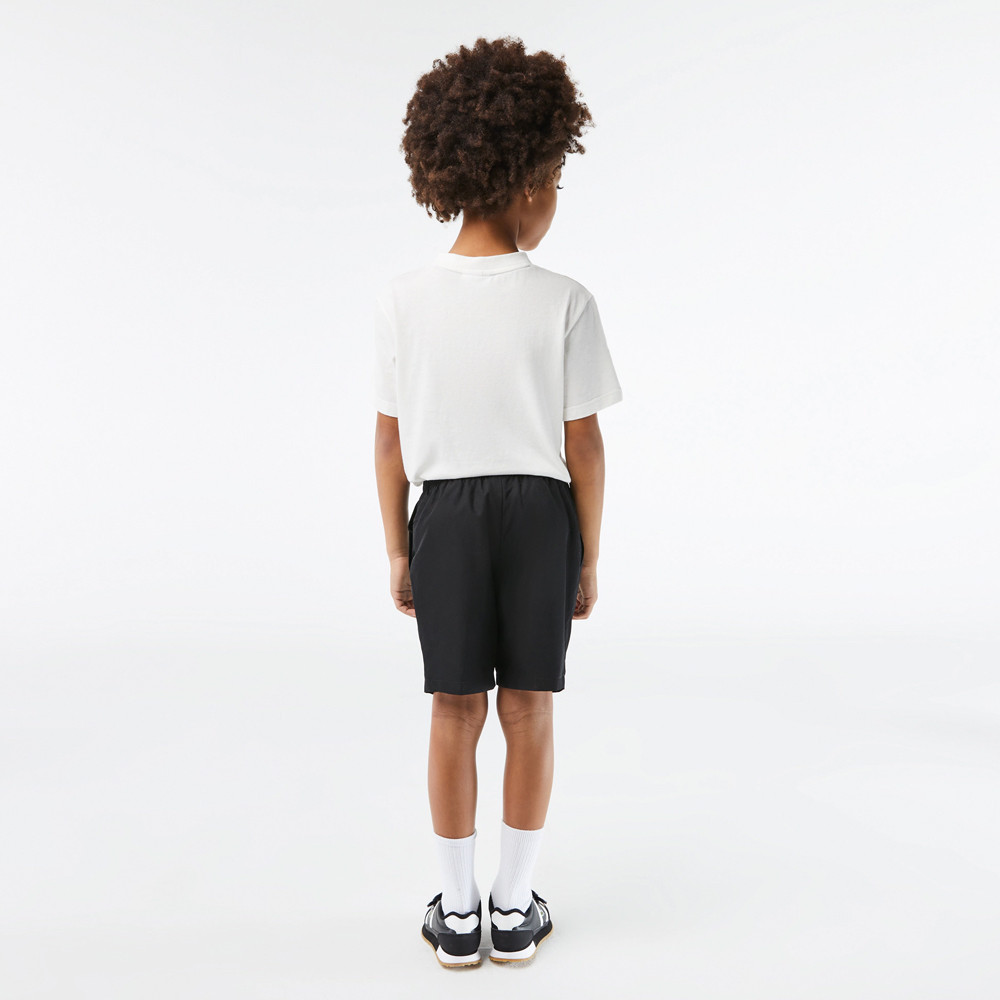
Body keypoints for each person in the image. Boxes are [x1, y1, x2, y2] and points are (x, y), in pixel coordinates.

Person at [372, 35, 623, 968]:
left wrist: (399, 550)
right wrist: (588, 555)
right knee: (529, 709)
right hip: (538, 516)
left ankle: (457, 908)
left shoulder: (402, 299)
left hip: (443, 514)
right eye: (554, 180)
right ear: (527, 182)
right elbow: (583, 444)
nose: (554, 199)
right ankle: (515, 909)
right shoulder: (564, 300)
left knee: (452, 710)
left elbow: (390, 442)